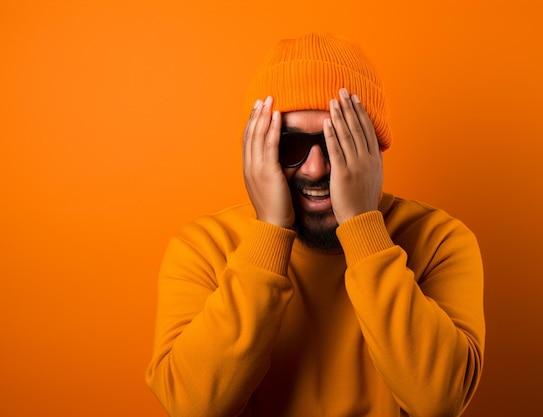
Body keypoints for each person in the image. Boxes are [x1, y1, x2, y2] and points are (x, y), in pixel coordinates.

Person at [146, 32, 485, 417]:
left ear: (375, 149)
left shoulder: (440, 241)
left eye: (339, 141)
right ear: (257, 150)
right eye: (290, 146)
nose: (316, 167)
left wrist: (361, 225)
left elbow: (439, 402)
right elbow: (194, 407)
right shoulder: (204, 247)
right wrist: (270, 230)